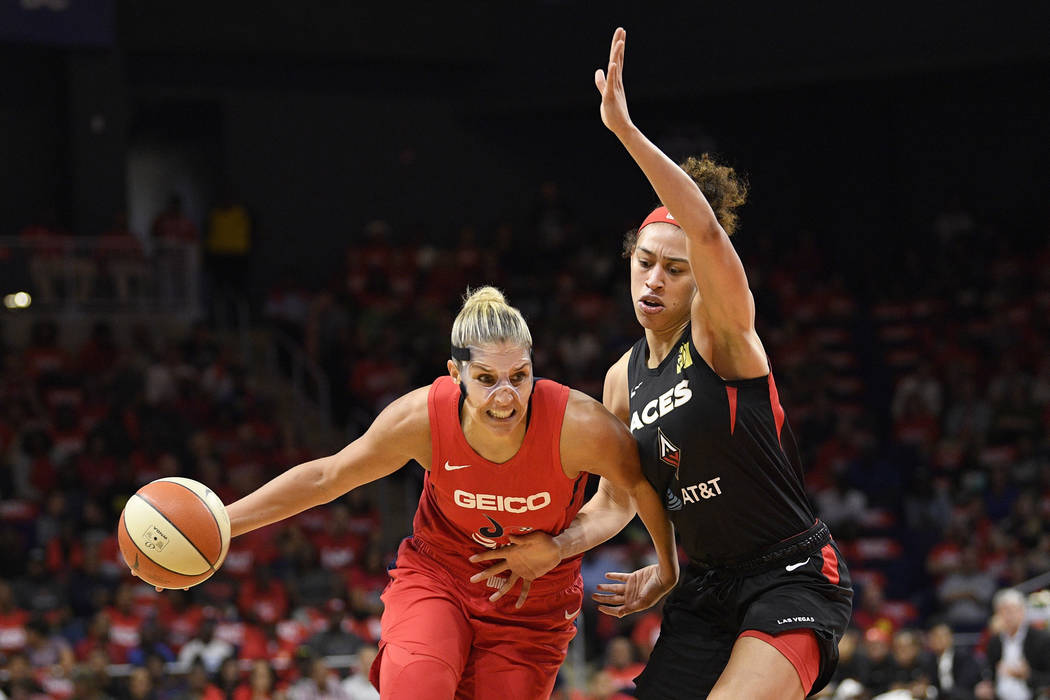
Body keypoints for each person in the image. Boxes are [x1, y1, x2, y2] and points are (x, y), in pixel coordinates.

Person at [470, 27, 853, 699]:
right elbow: (615, 500)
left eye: (674, 270)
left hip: (789, 576)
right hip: (704, 590)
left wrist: (622, 130)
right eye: (644, 262)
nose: (653, 279)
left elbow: (704, 229)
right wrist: (558, 548)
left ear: (699, 280)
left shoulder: (722, 336)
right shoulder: (621, 379)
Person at [174, 287, 678, 700]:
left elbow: (627, 496)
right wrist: (222, 523)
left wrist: (567, 548)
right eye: (486, 379)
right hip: (441, 577)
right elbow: (328, 477)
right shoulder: (421, 418)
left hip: (532, 603)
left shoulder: (579, 424)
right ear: (454, 373)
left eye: (519, 377)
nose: (506, 397)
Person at [981, 588, 1050, 700]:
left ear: (1022, 612)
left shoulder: (1041, 639)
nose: (1009, 616)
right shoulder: (994, 641)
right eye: (1003, 611)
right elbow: (990, 673)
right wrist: (987, 687)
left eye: (1012, 610)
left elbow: (1047, 678)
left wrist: (1028, 675)